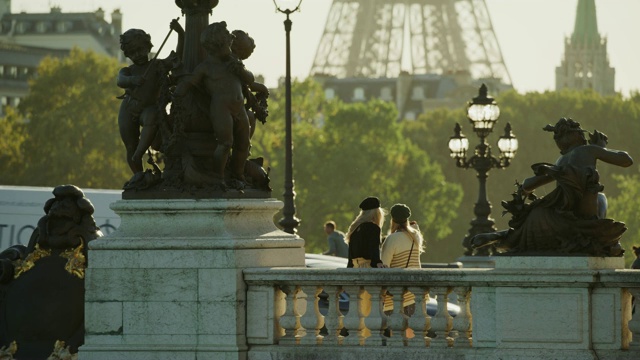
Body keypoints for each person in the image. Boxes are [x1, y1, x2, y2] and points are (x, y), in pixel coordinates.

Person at [472, 118, 633, 256]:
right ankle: (596, 230)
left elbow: (527, 185)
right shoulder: (588, 150)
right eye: (580, 132)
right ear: (576, 135)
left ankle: (498, 235)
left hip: (555, 217)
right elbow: (626, 160)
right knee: (601, 198)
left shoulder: (559, 162)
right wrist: (601, 149)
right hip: (583, 213)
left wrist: (525, 192)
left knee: (523, 231)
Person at [173, 21, 250, 190]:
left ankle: (238, 175)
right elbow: (191, 82)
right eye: (228, 43)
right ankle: (218, 176)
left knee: (244, 144)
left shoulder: (232, 63)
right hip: (221, 109)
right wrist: (178, 91)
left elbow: (249, 80)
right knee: (225, 143)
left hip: (240, 108)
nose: (231, 45)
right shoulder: (205, 67)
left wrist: (241, 70)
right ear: (218, 45)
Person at [117, 20, 184, 175]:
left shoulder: (157, 65)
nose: (137, 55)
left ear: (148, 47)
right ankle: (138, 174)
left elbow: (178, 56)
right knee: (130, 143)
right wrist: (133, 80)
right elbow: (120, 80)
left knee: (152, 116)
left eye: (141, 50)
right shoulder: (128, 70)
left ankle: (139, 154)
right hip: (128, 108)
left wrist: (180, 33)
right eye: (133, 53)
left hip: (148, 108)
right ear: (127, 54)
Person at [381, 204, 424, 317]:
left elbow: (383, 267)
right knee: (414, 332)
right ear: (407, 219)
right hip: (415, 293)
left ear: (392, 219)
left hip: (397, 295)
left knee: (396, 331)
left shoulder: (391, 239)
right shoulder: (415, 237)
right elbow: (416, 229)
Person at [346, 196, 386, 268]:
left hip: (354, 267)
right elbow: (373, 249)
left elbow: (350, 255)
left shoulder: (355, 227)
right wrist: (377, 262)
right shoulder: (373, 228)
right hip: (367, 266)